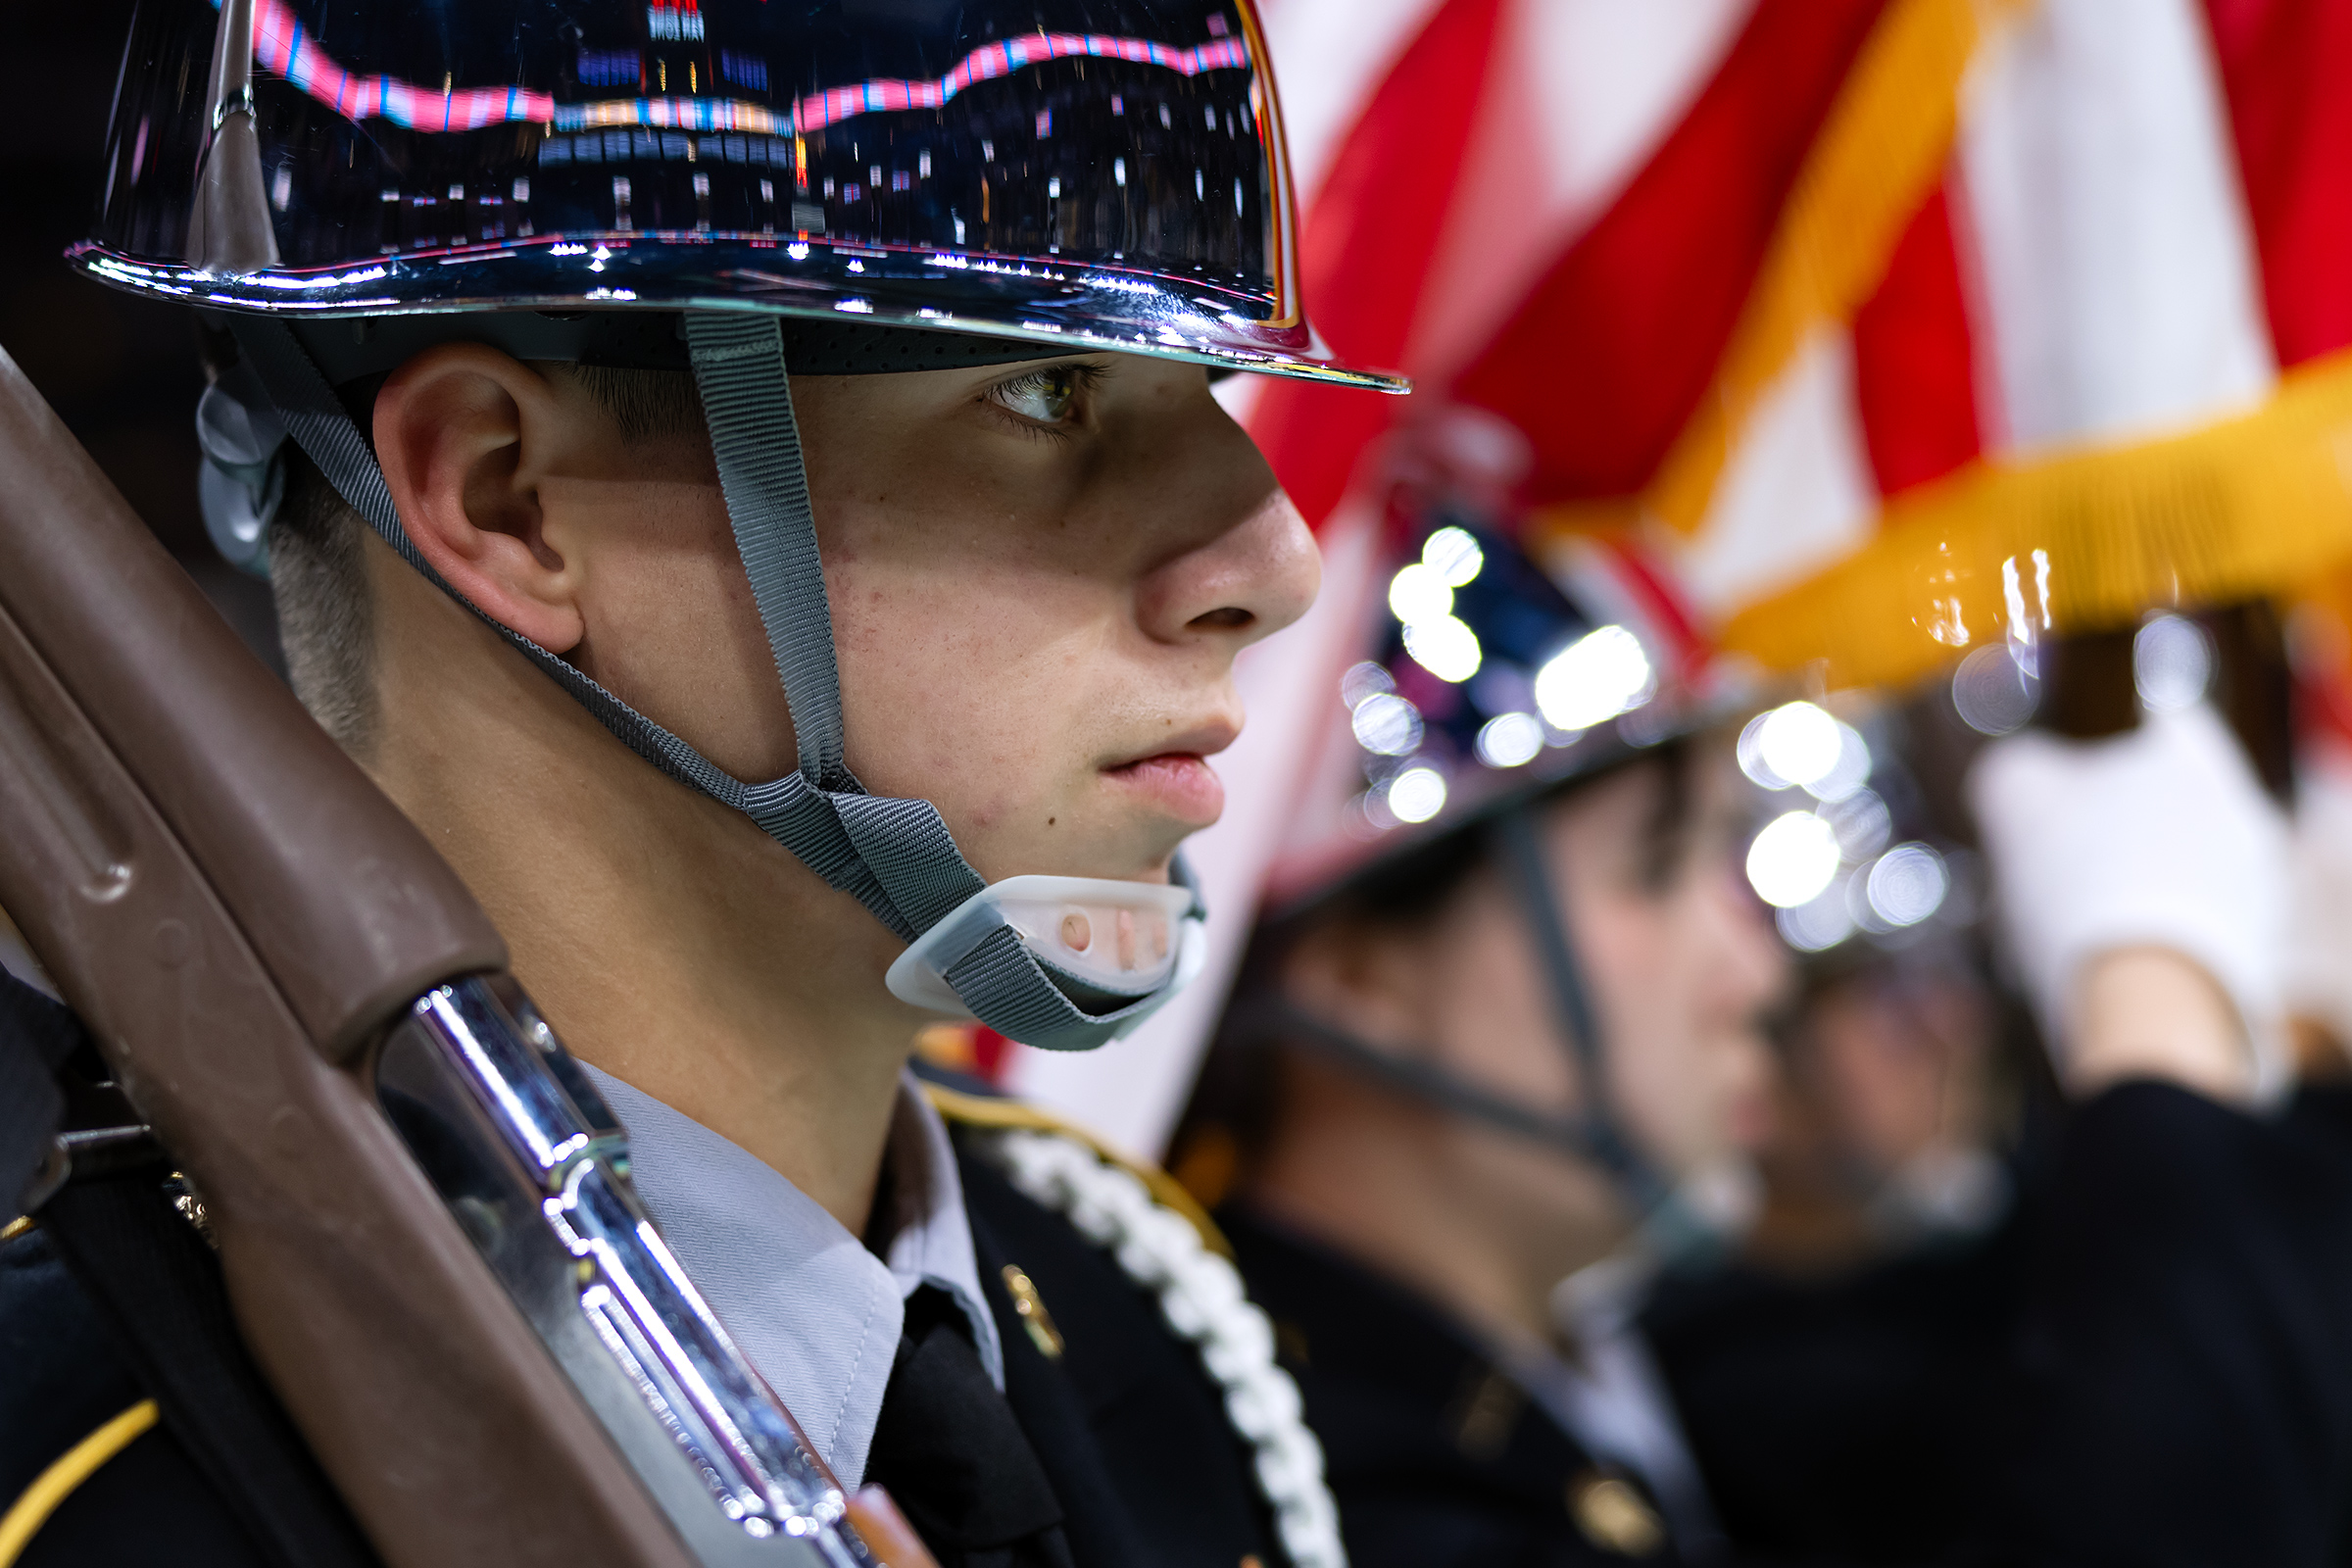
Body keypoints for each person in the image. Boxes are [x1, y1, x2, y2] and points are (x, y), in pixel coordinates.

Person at [0, 0, 1400, 1562]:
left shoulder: (1140, 1318)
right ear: (510, 500)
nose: (1273, 565)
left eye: (1206, 393)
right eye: (1046, 391)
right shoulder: (84, 1489)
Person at [1179, 505, 2352, 1565]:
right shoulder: (1299, 1479)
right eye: (1656, 867)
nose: (1758, 971)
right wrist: (2155, 1015)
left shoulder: (1592, 1378)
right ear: (1358, 972)